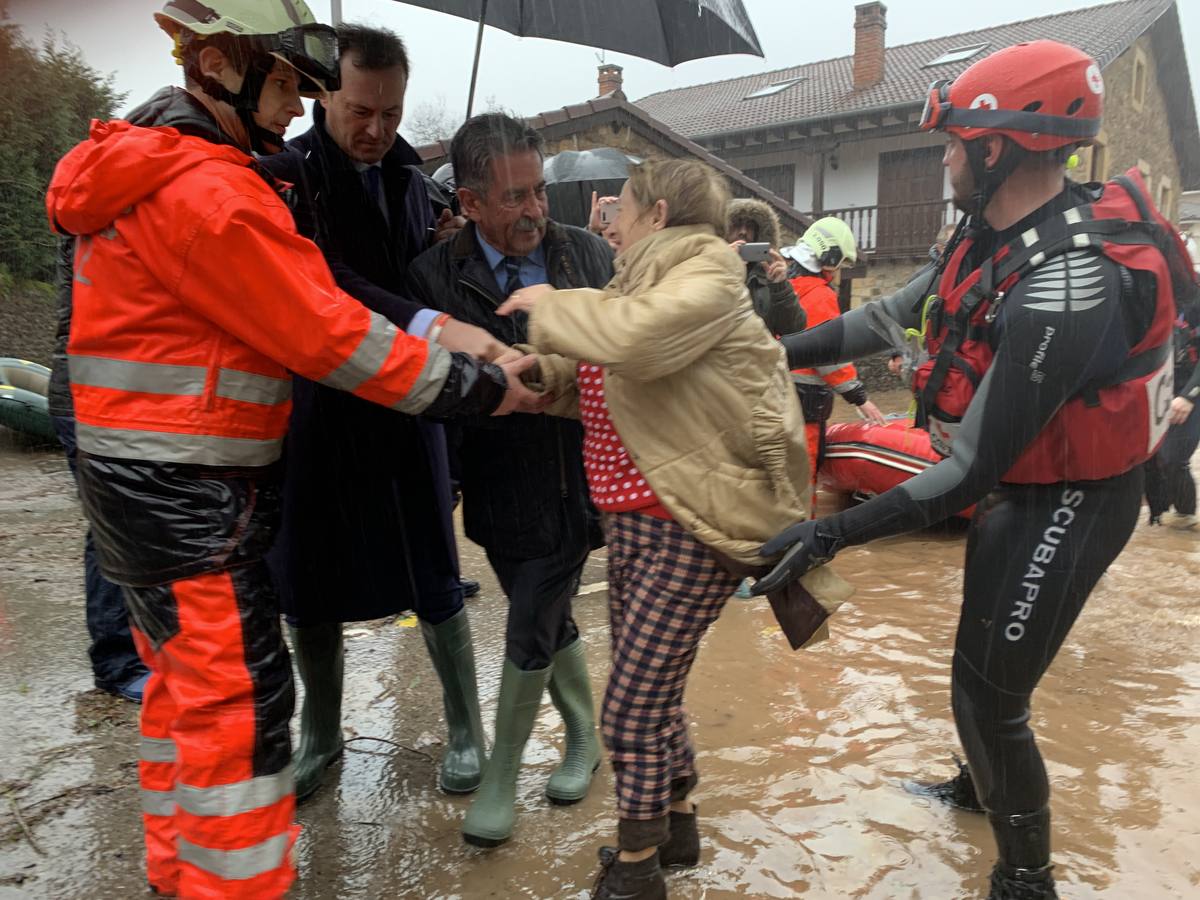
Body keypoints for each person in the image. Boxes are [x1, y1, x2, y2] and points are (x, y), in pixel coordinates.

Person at [46, 3, 537, 896]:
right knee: (241, 716)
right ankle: (228, 882)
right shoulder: (212, 191)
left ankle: (175, 873)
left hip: (139, 495)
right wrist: (486, 386)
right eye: (288, 85)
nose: (292, 108)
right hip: (195, 502)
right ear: (226, 61)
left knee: (180, 703)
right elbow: (330, 328)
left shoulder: (137, 171)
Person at [753, 41, 1182, 899]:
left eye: (951, 143)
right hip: (1017, 483)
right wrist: (760, 351)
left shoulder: (1066, 286)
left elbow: (969, 471)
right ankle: (980, 787)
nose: (941, 157)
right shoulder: (984, 234)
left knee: (991, 694)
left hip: (1072, 499)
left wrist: (828, 533)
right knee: (975, 670)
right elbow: (884, 317)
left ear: (997, 149)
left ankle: (1028, 879)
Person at [498, 157, 835, 900]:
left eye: (620, 208)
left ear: (657, 215)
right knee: (654, 692)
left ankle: (638, 866)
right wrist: (546, 378)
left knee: (631, 706)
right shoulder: (640, 286)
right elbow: (623, 387)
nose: (608, 223)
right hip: (638, 520)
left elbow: (636, 342)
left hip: (689, 522)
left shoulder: (705, 281)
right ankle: (678, 823)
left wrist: (552, 303)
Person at [258, 23, 492, 803]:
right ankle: (321, 734)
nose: (377, 128)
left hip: (410, 404)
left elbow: (435, 284)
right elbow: (324, 282)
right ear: (327, 92)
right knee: (307, 574)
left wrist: (452, 253)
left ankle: (466, 727)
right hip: (320, 405)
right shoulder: (285, 178)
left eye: (391, 113)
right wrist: (427, 321)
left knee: (433, 563)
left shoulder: (415, 183)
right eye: (362, 108)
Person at [407, 113, 614, 848]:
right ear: (467, 202)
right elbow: (428, 384)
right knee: (543, 611)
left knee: (531, 612)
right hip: (495, 482)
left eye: (539, 192)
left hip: (579, 475)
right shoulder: (433, 276)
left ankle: (502, 772)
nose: (535, 210)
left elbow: (627, 349)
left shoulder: (586, 256)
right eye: (514, 196)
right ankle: (586, 736)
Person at [47, 239, 150, 703]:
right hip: (91, 398)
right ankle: (117, 661)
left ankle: (139, 650)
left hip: (117, 394)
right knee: (112, 528)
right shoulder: (99, 207)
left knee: (131, 525)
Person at [781, 218, 886, 503]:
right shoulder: (819, 295)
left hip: (770, 404)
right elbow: (830, 357)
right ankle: (800, 541)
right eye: (840, 265)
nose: (839, 273)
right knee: (802, 484)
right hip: (804, 410)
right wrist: (860, 398)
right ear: (829, 257)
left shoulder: (780, 284)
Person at [1144, 300, 1200, 528]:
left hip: (1189, 391)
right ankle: (1157, 518)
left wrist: (1189, 396)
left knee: (1173, 458)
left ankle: (1185, 518)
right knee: (1147, 460)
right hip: (1156, 388)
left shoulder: (1194, 302)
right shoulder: (1142, 293)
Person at [724, 198, 807, 336]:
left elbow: (795, 329)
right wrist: (723, 266)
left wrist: (780, 287)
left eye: (750, 226)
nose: (743, 232)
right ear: (723, 229)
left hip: (760, 356)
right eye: (736, 224)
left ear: (758, 233)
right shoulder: (706, 267)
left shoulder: (768, 275)